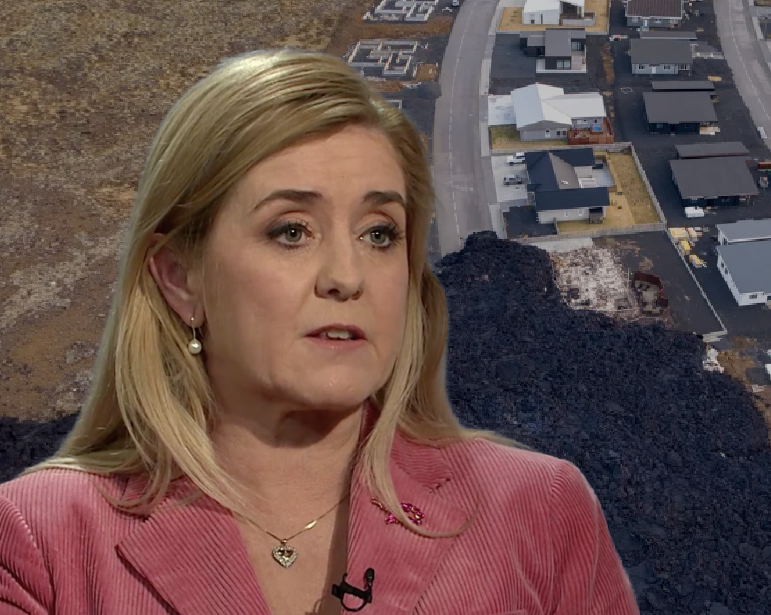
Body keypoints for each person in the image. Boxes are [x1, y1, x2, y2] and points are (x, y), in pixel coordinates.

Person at [0, 48, 641, 615]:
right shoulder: (36, 544)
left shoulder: (541, 510)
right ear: (180, 278)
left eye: (379, 234)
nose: (347, 276)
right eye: (291, 231)